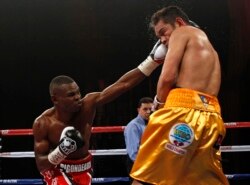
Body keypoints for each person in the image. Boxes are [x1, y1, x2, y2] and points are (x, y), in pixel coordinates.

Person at [32, 40, 167, 185]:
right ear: (55, 99)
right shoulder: (43, 123)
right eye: (71, 95)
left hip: (84, 168)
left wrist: (152, 61)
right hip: (57, 170)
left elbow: (122, 85)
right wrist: (62, 150)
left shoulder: (88, 104)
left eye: (78, 92)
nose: (78, 97)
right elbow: (42, 164)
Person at [130, 6, 229, 185]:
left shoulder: (181, 32)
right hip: (213, 117)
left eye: (163, 32)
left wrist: (158, 103)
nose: (162, 40)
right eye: (158, 37)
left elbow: (167, 77)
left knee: (145, 178)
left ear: (179, 22)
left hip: (182, 113)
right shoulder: (209, 48)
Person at [124, 97, 154, 184]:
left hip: (150, 163)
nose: (148, 112)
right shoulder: (133, 126)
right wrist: (145, 167)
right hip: (138, 164)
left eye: (150, 109)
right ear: (138, 110)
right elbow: (133, 153)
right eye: (145, 109)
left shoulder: (153, 124)